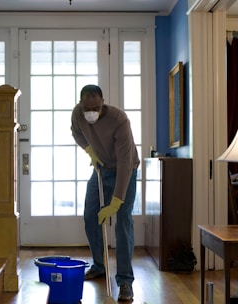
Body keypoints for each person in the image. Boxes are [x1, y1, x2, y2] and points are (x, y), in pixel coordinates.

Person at [71, 84, 140, 301]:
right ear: (81, 104)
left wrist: (116, 201)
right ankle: (99, 265)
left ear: (103, 103)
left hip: (125, 171)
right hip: (101, 170)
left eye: (95, 107)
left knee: (122, 222)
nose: (90, 112)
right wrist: (89, 150)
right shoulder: (78, 113)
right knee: (91, 216)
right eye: (86, 108)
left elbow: (125, 163)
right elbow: (76, 132)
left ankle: (125, 281)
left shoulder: (119, 120)